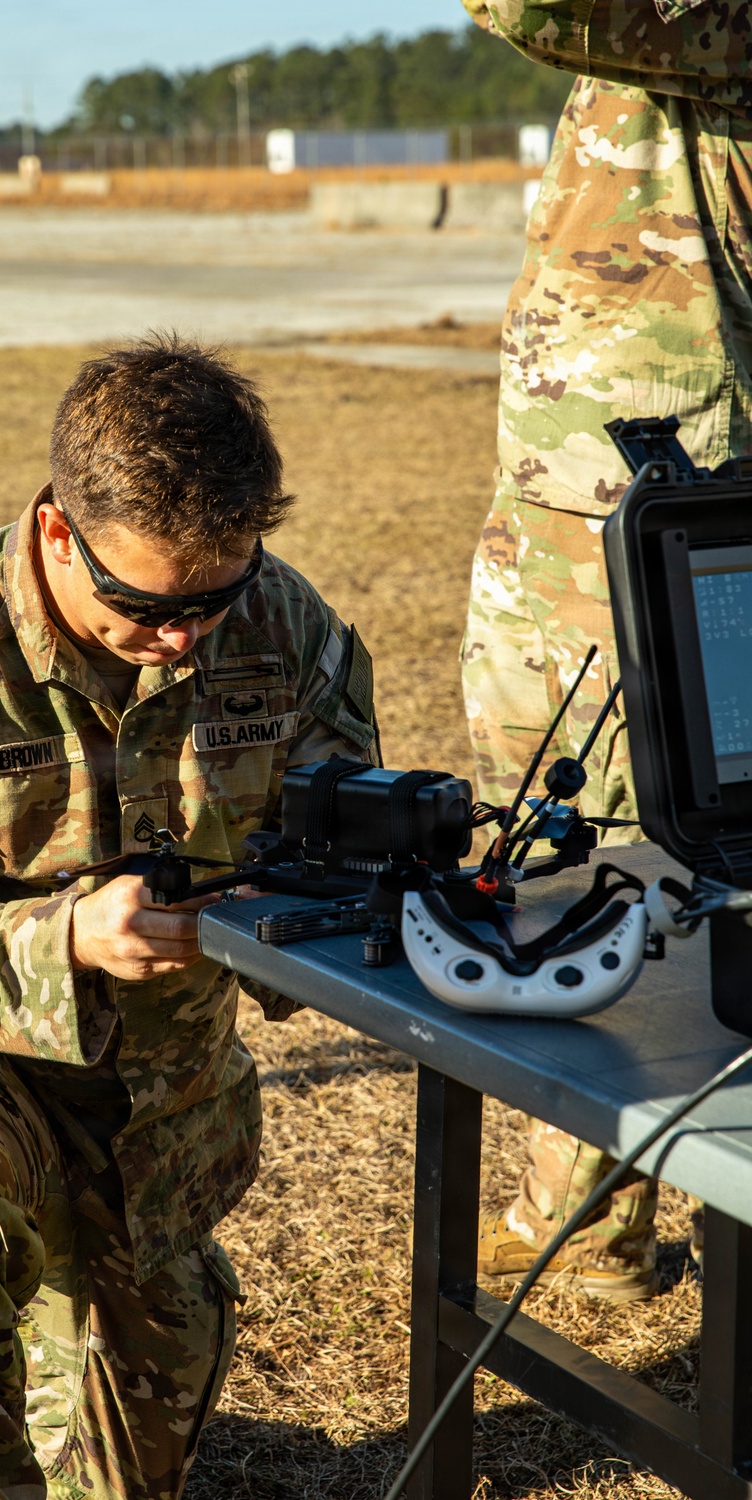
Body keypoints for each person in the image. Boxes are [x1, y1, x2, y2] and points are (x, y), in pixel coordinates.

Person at [0, 336, 379, 1500]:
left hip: (161, 1117)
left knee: (123, 1474)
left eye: (217, 596)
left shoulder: (290, 631)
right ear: (58, 532)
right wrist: (66, 940)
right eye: (148, 603)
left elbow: (338, 849)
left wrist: (293, 910)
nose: (188, 635)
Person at [461, 0, 752, 1301]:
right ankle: (585, 1203)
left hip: (653, 502)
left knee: (647, 843)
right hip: (595, 492)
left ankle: (589, 1208)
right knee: (573, 843)